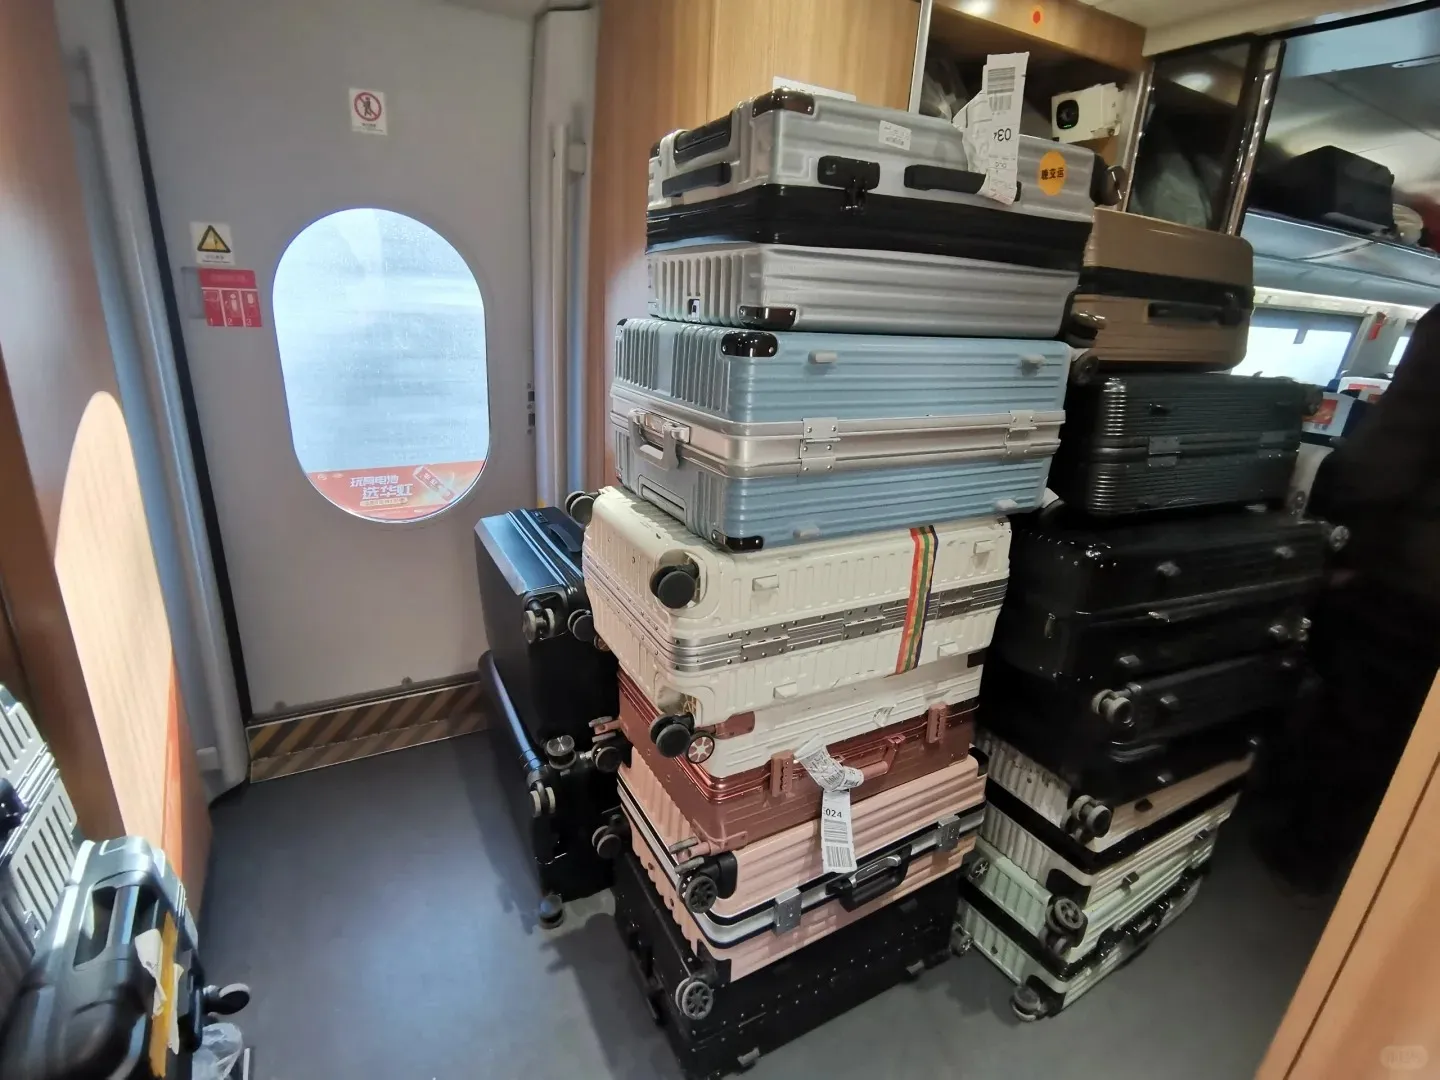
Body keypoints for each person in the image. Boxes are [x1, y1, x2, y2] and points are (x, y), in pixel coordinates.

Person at [1258, 303, 1440, 893]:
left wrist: (1335, 539)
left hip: (1410, 578)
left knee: (1354, 713)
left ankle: (1299, 848)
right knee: (1400, 735)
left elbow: (1390, 456)